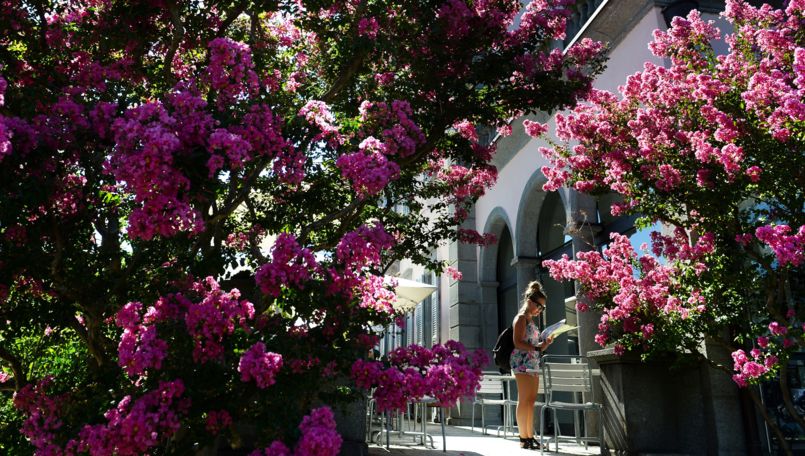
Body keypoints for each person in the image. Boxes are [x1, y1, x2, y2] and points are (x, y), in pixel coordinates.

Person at [510, 281, 553, 450]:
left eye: (543, 308)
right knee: (524, 399)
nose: (540, 310)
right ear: (529, 301)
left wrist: (544, 344)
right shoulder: (521, 318)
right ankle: (523, 438)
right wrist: (537, 347)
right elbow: (517, 342)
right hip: (521, 362)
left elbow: (534, 345)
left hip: (532, 361)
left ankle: (530, 436)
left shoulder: (531, 321)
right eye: (539, 306)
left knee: (530, 401)